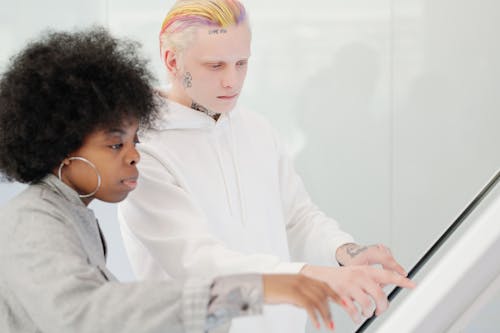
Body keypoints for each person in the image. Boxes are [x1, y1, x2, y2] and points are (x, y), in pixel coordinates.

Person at [0, 27, 347, 333]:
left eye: (135, 141)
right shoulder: (31, 222)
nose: (135, 155)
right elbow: (84, 316)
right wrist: (255, 289)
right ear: (60, 145)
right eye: (115, 144)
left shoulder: (71, 214)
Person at [118, 1, 415, 332]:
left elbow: (298, 218)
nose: (232, 81)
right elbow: (199, 265)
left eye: (241, 63)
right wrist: (311, 276)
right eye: (215, 66)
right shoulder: (141, 152)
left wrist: (343, 252)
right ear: (172, 60)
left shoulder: (257, 130)